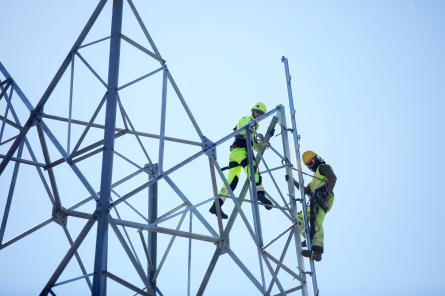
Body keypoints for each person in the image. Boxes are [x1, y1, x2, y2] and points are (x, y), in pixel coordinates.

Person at [209, 102, 273, 219]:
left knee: (232, 181)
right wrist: (256, 133)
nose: (258, 115)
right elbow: (244, 129)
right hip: (241, 151)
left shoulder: (254, 127)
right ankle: (260, 194)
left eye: (261, 114)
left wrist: (265, 141)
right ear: (253, 111)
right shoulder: (245, 119)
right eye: (257, 112)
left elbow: (255, 146)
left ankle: (216, 205)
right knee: (253, 171)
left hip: (235, 154)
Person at [287, 150, 336, 261]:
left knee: (316, 222)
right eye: (309, 164)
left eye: (312, 162)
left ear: (317, 159)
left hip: (324, 199)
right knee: (298, 217)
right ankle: (309, 237)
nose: (311, 165)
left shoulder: (323, 167)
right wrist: (292, 181)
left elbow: (332, 178)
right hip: (315, 201)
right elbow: (307, 191)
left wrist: (326, 192)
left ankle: (317, 252)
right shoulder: (315, 177)